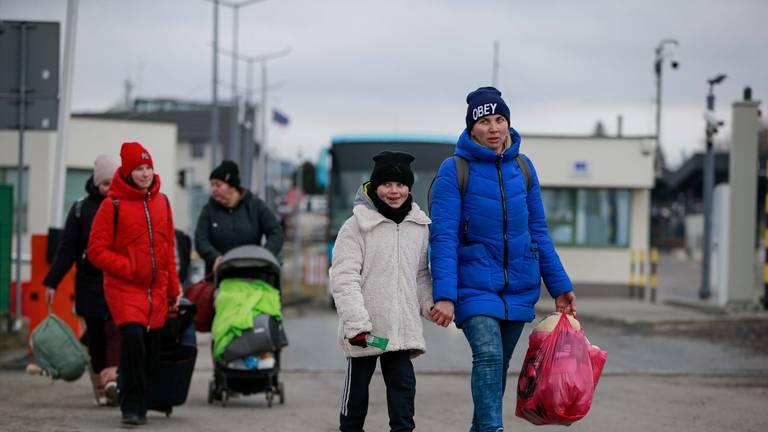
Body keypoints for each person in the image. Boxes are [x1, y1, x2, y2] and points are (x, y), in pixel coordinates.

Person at [429, 87, 576, 432]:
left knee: (496, 370)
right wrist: (445, 295)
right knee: (489, 357)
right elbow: (444, 237)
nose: (494, 128)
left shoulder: (523, 169)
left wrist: (560, 286)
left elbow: (538, 231)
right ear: (471, 128)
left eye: (500, 119)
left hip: (519, 286)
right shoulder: (455, 170)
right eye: (485, 121)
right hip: (473, 286)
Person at [329, 151, 437, 432]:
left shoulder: (419, 226)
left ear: (409, 188)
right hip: (367, 332)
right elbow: (344, 278)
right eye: (387, 184)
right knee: (356, 396)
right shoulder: (356, 226)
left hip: (400, 330)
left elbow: (421, 273)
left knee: (403, 390)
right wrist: (356, 324)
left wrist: (429, 304)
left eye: (400, 185)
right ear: (374, 186)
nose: (394, 191)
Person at [88, 142, 181, 427]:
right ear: (127, 172)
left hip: (156, 289)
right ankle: (132, 407)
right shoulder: (112, 205)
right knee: (132, 339)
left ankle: (140, 398)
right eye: (139, 168)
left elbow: (168, 253)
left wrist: (173, 290)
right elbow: (96, 250)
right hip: (124, 288)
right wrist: (127, 268)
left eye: (149, 167)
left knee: (151, 351)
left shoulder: (162, 202)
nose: (145, 173)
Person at [43, 154, 121, 406]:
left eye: (114, 182)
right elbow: (66, 250)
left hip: (117, 281)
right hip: (89, 285)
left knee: (115, 330)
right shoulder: (80, 210)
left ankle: (113, 380)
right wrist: (51, 282)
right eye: (105, 183)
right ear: (96, 182)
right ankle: (102, 382)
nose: (110, 189)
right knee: (96, 336)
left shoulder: (124, 205)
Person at [194, 160, 284, 274]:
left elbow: (276, 231)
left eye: (218, 185)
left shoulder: (255, 206)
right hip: (218, 278)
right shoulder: (209, 210)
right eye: (212, 185)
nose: (213, 189)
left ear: (232, 186)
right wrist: (215, 258)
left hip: (253, 276)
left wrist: (264, 255)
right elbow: (200, 240)